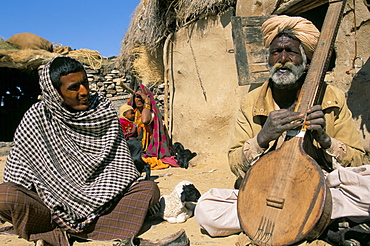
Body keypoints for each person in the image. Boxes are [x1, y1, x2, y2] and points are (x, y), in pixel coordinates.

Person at [195, 15, 369, 245]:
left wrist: (326, 140)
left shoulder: (331, 97)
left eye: (291, 52)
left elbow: (357, 159)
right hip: (264, 194)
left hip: (320, 190)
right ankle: (319, 224)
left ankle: (300, 220)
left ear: (306, 61)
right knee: (207, 209)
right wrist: (263, 137)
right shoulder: (251, 102)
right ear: (268, 58)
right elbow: (234, 163)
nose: (283, 59)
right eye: (276, 52)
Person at [0, 56, 186, 246]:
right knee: (5, 195)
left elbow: (120, 168)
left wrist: (94, 196)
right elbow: (18, 178)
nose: (84, 92)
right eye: (74, 87)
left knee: (148, 189)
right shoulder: (37, 118)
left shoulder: (102, 110)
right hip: (51, 209)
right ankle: (80, 231)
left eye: (85, 83)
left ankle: (57, 235)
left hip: (102, 207)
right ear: (55, 93)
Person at [127, 84, 175, 169]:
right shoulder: (134, 112)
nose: (138, 99)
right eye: (136, 97)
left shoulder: (151, 113)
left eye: (140, 97)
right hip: (135, 146)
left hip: (146, 150)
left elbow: (145, 121)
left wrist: (146, 101)